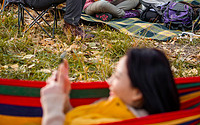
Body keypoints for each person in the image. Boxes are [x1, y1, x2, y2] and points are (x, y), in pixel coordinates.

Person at [40, 48, 180, 125]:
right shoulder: (115, 108)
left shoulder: (124, 120)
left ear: (137, 93)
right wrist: (64, 103)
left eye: (117, 76)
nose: (108, 81)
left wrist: (52, 109)